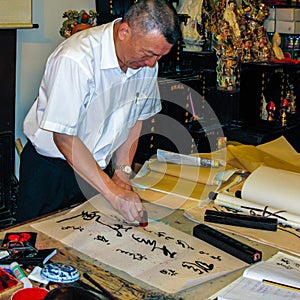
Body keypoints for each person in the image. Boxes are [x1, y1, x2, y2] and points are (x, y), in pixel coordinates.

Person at [17, 0, 180, 223]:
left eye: (159, 57)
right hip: (52, 174)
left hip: (97, 174)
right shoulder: (76, 59)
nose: (152, 64)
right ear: (124, 31)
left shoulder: (144, 64)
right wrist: (112, 193)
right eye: (148, 53)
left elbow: (135, 119)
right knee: (35, 250)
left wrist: (122, 173)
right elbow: (64, 138)